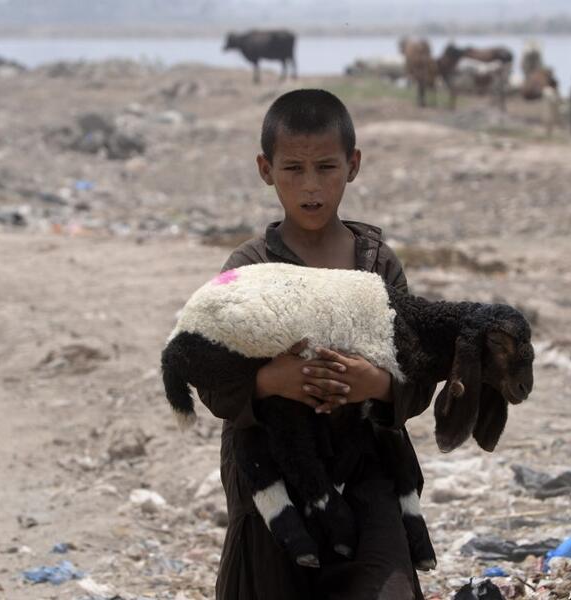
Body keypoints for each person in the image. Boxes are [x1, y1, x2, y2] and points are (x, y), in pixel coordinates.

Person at [197, 88, 435, 600]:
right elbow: (211, 374)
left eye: (326, 168)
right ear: (266, 169)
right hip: (271, 466)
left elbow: (414, 368)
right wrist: (269, 380)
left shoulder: (377, 265)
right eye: (293, 170)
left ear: (353, 165)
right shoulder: (249, 267)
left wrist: (374, 383)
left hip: (365, 459)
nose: (311, 187)